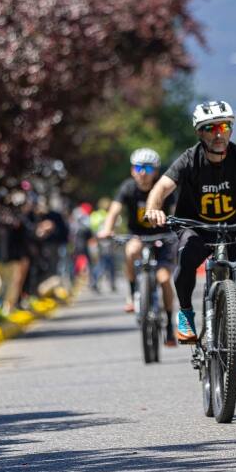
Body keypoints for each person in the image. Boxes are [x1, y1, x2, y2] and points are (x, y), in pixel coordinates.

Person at [144, 101, 236, 384]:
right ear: (199, 133)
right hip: (197, 228)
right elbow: (161, 188)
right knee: (187, 255)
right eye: (210, 128)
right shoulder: (189, 159)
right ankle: (186, 312)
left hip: (235, 230)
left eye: (224, 127)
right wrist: (153, 208)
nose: (218, 134)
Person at [98, 147, 179, 345]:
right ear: (132, 170)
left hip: (163, 237)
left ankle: (169, 325)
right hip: (138, 236)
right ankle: (133, 291)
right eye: (138, 168)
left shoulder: (163, 188)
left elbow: (176, 211)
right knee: (131, 250)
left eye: (148, 168)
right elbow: (115, 210)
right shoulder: (128, 188)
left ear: (156, 171)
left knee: (164, 278)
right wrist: (107, 229)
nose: (143, 173)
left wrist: (180, 231)